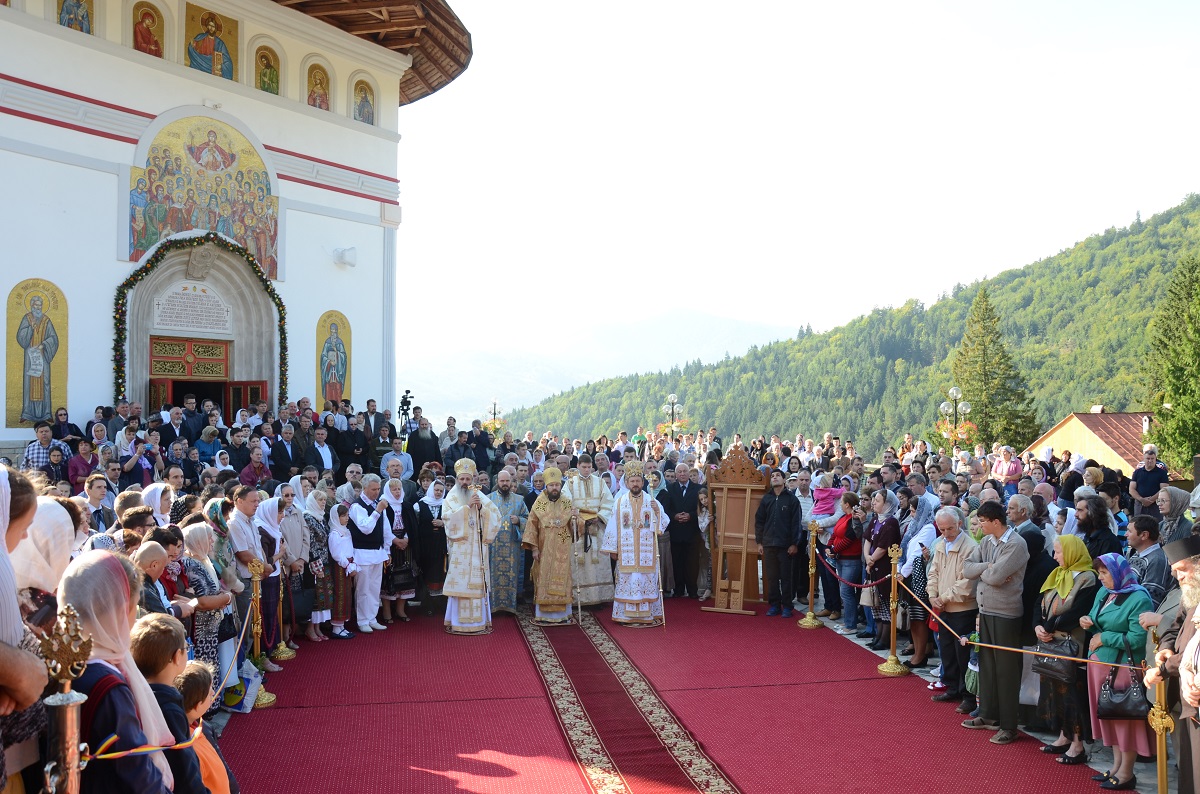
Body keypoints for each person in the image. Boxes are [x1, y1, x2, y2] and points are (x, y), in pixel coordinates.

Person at [61, 550, 174, 792]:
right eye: (135, 607)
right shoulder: (110, 686)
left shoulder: (59, 661)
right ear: (122, 610)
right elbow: (136, 772)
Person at [1081, 553, 1153, 789]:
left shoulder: (1138, 597)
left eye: (1105, 573)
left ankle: (1126, 773)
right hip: (1100, 665)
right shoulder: (1105, 592)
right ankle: (1116, 766)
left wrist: (1104, 637)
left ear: (1119, 573)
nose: (1101, 578)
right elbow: (1095, 615)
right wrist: (1087, 620)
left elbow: (1137, 639)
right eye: (1099, 573)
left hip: (1122, 668)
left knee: (1124, 721)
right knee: (1109, 716)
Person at [961, 499, 1029, 745]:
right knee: (987, 666)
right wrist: (988, 567)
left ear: (995, 522)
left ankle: (1009, 725)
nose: (978, 525)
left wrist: (987, 570)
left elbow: (997, 577)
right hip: (986, 610)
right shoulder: (988, 542)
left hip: (1006, 613)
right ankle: (989, 714)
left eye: (982, 521)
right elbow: (967, 568)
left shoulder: (1017, 544)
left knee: (1007, 671)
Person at [1033, 535, 1099, 764]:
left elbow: (1078, 610)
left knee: (1073, 692)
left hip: (1072, 645)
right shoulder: (1058, 573)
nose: (1055, 556)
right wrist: (1038, 625)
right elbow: (1039, 602)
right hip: (1051, 641)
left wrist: (1049, 626)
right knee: (1054, 689)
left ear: (1071, 552)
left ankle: (1078, 744)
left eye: (1059, 552)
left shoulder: (1088, 578)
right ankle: (1063, 735)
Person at [1145, 535, 1200, 793]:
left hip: (1195, 691)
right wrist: (1165, 650)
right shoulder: (1189, 593)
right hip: (1182, 690)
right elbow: (1174, 627)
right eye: (1174, 571)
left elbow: (1193, 649)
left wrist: (1163, 669)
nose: (1178, 577)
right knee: (1187, 766)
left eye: (1182, 570)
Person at [129, 613, 207, 794]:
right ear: (176, 656)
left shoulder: (136, 693)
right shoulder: (169, 708)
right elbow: (184, 768)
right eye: (185, 648)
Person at [601, 461, 669, 626]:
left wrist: (657, 511)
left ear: (643, 482)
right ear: (627, 482)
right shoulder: (620, 502)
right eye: (632, 481)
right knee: (628, 581)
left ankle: (647, 616)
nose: (635, 484)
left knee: (645, 580)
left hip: (646, 553)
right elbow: (612, 526)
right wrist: (612, 549)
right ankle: (627, 616)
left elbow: (663, 524)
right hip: (626, 553)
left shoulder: (651, 500)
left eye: (638, 480)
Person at [926, 506, 980, 712]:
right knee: (946, 648)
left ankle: (967, 694)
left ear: (959, 524)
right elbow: (934, 571)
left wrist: (943, 597)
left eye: (950, 529)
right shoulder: (940, 544)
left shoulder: (971, 547)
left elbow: (967, 583)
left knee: (963, 653)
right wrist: (932, 595)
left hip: (963, 608)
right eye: (942, 530)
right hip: (943, 606)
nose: (946, 534)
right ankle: (951, 686)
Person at [442, 459, 502, 634]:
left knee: (477, 583)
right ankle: (455, 622)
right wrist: (467, 508)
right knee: (460, 584)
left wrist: (482, 508)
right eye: (462, 479)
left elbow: (496, 517)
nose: (465, 483)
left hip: (477, 549)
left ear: (473, 479)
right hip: (460, 549)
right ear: (457, 479)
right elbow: (447, 519)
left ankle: (479, 623)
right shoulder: (451, 497)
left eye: (468, 479)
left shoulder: (480, 495)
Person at [522, 466, 577, 625]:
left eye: (557, 485)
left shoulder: (568, 502)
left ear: (561, 485)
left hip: (563, 549)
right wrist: (534, 548)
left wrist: (576, 519)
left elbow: (576, 528)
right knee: (544, 579)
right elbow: (531, 526)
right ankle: (543, 615)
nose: (555, 488)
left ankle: (564, 614)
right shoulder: (539, 503)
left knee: (563, 579)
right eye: (551, 485)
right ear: (546, 486)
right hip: (543, 549)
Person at [175, 661, 237, 794]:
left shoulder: (204, 728)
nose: (214, 693)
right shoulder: (187, 747)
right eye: (210, 693)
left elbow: (221, 764)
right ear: (198, 705)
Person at [563, 454, 615, 606]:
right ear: (578, 466)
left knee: (598, 563)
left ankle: (599, 597)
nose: (586, 470)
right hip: (578, 529)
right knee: (580, 563)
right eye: (583, 467)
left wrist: (599, 517)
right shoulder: (570, 484)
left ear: (592, 467)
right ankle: (580, 599)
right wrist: (578, 518)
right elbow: (566, 503)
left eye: (588, 467)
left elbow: (608, 503)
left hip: (596, 528)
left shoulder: (600, 482)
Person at [344, 474, 393, 633]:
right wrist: (377, 511)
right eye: (373, 489)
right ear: (364, 489)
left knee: (374, 588)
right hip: (362, 553)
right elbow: (366, 528)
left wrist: (387, 550)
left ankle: (372, 618)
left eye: (378, 489)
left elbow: (385, 528)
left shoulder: (379, 504)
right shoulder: (357, 506)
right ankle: (362, 620)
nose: (376, 492)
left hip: (377, 553)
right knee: (363, 589)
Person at [755, 469, 801, 617]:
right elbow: (759, 521)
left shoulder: (792, 500)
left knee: (786, 578)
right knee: (771, 578)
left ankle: (787, 606)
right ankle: (774, 605)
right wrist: (759, 542)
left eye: (778, 476)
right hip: (768, 544)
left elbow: (796, 523)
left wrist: (794, 543)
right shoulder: (766, 499)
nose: (775, 478)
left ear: (784, 479)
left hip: (786, 545)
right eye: (772, 476)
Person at [864, 489, 902, 650]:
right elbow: (867, 540)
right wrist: (867, 557)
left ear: (887, 504)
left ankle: (884, 639)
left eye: (877, 500)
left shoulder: (891, 522)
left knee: (886, 604)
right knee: (876, 605)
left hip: (884, 568)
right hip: (872, 567)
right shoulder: (874, 519)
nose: (873, 503)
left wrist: (871, 560)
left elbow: (883, 547)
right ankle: (877, 635)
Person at [488, 470, 528, 614]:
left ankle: (510, 606)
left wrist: (519, 521)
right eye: (502, 481)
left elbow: (528, 519)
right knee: (494, 574)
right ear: (497, 482)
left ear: (511, 482)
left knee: (512, 574)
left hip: (512, 545)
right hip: (494, 546)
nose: (505, 484)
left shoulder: (519, 500)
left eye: (507, 481)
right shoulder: (488, 499)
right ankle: (494, 606)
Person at [1126, 514, 1172, 608]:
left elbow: (1150, 600)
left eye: (1129, 531)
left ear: (1144, 535)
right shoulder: (1137, 554)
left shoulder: (1157, 560)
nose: (1125, 534)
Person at [1129, 444, 1170, 518]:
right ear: (1144, 459)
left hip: (1156, 505)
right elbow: (1131, 489)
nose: (1150, 461)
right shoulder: (1137, 472)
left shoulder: (1162, 473)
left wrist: (1151, 500)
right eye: (1148, 458)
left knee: (1155, 527)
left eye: (1152, 459)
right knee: (1139, 527)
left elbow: (1164, 489)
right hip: (1140, 505)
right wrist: (1142, 499)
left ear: (1155, 459)